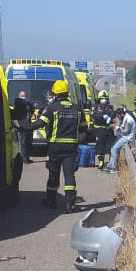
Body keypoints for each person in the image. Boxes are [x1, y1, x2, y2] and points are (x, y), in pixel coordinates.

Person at [17, 80, 87, 213]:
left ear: (55, 93)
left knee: (53, 174)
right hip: (71, 148)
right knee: (69, 175)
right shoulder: (77, 109)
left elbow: (38, 124)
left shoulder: (52, 108)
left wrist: (23, 125)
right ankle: (70, 204)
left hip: (55, 147)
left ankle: (51, 201)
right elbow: (84, 129)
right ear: (67, 93)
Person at [102, 106, 136, 174]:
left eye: (118, 115)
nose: (118, 117)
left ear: (121, 114)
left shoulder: (128, 120)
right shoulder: (125, 118)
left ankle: (113, 167)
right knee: (113, 147)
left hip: (128, 137)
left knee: (114, 148)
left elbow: (125, 131)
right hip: (125, 136)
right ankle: (110, 165)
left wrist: (116, 127)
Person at [92, 90, 115, 169]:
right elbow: (94, 116)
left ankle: (111, 162)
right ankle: (101, 161)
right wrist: (103, 117)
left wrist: (110, 117)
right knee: (100, 147)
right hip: (99, 130)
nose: (104, 100)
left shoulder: (110, 107)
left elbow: (113, 115)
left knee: (111, 146)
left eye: (105, 98)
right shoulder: (95, 107)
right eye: (102, 98)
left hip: (108, 130)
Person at [12, 91, 35, 163]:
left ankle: (27, 157)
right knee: (23, 143)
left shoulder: (28, 104)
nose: (24, 97)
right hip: (21, 126)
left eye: (24, 96)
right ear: (19, 96)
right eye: (22, 96)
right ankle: (23, 158)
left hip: (29, 125)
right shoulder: (17, 105)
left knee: (29, 142)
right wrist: (17, 125)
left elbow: (32, 112)